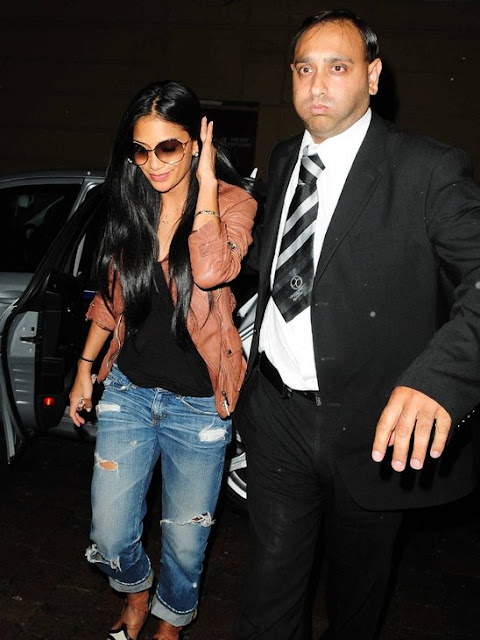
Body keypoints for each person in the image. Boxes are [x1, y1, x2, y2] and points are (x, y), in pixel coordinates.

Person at [234, 9, 480, 640]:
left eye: (337, 68)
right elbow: (271, 272)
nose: (316, 85)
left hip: (373, 427)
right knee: (266, 597)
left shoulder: (428, 169)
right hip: (278, 417)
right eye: (304, 69)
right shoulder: (283, 159)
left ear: (372, 77)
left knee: (355, 602)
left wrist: (442, 379)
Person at [68, 80, 256, 640]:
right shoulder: (132, 207)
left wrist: (205, 187)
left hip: (198, 408)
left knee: (185, 538)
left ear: (196, 142)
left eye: (168, 147)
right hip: (128, 393)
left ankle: (169, 624)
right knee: (109, 533)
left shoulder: (233, 204)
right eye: (141, 150)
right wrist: (84, 369)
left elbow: (211, 270)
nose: (153, 163)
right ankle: (136, 590)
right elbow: (111, 299)